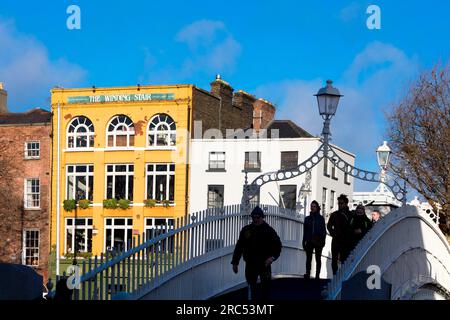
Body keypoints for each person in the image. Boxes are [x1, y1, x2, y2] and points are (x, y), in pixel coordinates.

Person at [231, 206, 282, 300]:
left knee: (265, 290)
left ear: (262, 217)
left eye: (258, 217)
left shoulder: (269, 230)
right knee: (252, 288)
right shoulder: (246, 230)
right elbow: (239, 246)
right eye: (254, 217)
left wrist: (272, 258)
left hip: (264, 264)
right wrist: (235, 262)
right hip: (251, 264)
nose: (256, 219)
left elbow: (278, 246)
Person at [327, 194, 353, 275]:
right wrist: (333, 233)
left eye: (341, 203)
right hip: (336, 239)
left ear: (346, 204)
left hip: (346, 240)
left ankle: (343, 276)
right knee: (334, 260)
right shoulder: (334, 214)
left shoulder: (350, 215)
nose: (340, 205)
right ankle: (335, 275)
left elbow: (352, 226)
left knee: (344, 260)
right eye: (339, 203)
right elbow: (329, 225)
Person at [302, 200, 326, 280]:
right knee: (308, 258)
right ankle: (307, 273)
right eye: (311, 206)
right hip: (309, 240)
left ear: (317, 208)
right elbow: (305, 231)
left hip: (318, 241)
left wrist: (323, 241)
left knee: (318, 258)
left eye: (314, 206)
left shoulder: (321, 218)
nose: (312, 208)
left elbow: (323, 231)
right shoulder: (307, 219)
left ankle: (317, 275)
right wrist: (303, 241)